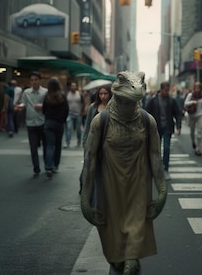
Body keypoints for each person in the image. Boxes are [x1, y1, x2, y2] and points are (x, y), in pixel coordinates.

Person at [80, 71, 166, 275]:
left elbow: (155, 156)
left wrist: (162, 190)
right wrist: (85, 197)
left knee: (134, 238)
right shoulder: (100, 121)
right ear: (115, 89)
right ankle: (120, 259)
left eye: (141, 83)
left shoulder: (147, 121)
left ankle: (131, 258)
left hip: (138, 183)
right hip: (110, 186)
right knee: (114, 241)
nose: (136, 87)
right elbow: (90, 159)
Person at [145, 81, 182, 180]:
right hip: (156, 128)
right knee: (155, 149)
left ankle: (165, 169)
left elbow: (178, 113)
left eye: (168, 90)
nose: (167, 92)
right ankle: (155, 168)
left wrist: (179, 126)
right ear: (161, 89)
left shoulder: (171, 101)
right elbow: (146, 113)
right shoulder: (153, 100)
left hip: (167, 127)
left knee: (166, 148)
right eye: (165, 90)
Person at [17, 71, 48, 175]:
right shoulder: (26, 92)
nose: (34, 82)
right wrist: (20, 107)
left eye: (36, 80)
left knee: (46, 146)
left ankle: (47, 166)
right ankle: (36, 168)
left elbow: (49, 106)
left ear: (40, 81)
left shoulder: (45, 92)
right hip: (30, 122)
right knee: (33, 147)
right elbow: (23, 103)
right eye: (32, 80)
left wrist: (42, 107)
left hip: (42, 121)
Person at [42, 77, 69, 178]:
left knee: (49, 145)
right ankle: (55, 165)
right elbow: (66, 110)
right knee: (58, 145)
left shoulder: (47, 96)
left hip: (49, 123)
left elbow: (43, 110)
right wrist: (62, 120)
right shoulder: (62, 96)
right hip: (59, 123)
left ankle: (48, 167)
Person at [82, 84, 112, 149]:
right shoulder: (93, 107)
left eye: (105, 93)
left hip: (109, 139)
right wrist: (85, 140)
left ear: (110, 94)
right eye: (100, 94)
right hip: (95, 137)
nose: (103, 96)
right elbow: (88, 124)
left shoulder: (113, 107)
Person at [183, 82, 202, 156]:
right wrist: (192, 102)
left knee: (199, 132)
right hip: (192, 115)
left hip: (200, 115)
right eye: (196, 88)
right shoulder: (190, 95)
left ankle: (197, 147)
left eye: (199, 88)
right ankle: (193, 142)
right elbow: (185, 103)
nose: (197, 90)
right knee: (192, 132)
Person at [65, 82, 85, 148]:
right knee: (69, 128)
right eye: (72, 86)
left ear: (76, 87)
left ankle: (79, 141)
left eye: (74, 86)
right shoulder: (67, 94)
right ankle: (67, 143)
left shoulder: (79, 94)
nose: (73, 87)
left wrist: (81, 111)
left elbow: (83, 102)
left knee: (78, 129)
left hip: (78, 114)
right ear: (70, 87)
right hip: (69, 113)